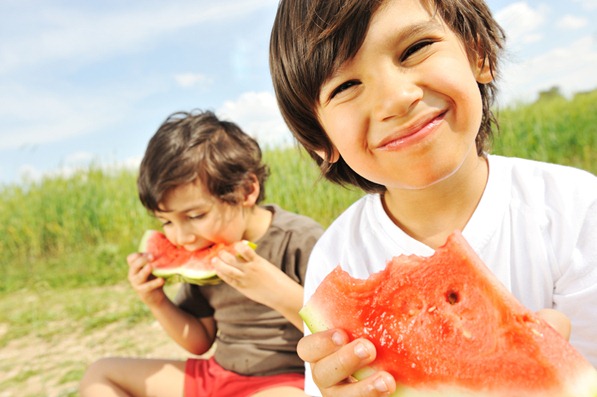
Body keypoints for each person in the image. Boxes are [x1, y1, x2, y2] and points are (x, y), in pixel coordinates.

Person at [269, 0, 597, 396]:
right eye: (346, 86)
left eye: (415, 49)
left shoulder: (576, 209)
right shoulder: (335, 256)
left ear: (478, 53)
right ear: (322, 141)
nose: (396, 98)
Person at [79, 110, 324, 397]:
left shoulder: (301, 239)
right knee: (101, 373)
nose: (182, 238)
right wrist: (156, 300)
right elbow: (199, 342)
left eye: (195, 215)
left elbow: (335, 331)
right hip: (216, 375)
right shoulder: (202, 247)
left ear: (246, 190)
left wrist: (272, 289)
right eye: (166, 222)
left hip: (284, 382)